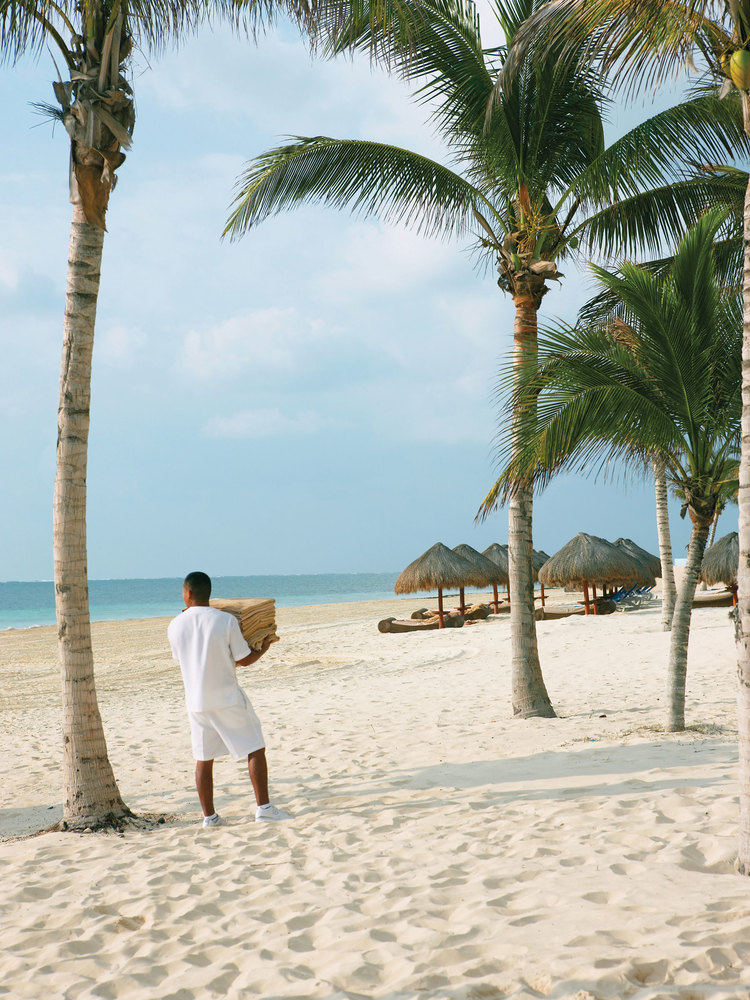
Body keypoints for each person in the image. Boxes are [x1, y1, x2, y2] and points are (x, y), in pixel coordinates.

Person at [168, 570, 291, 826]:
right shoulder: (224, 621)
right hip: (226, 697)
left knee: (203, 759)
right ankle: (264, 808)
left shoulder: (175, 625)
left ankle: (209, 817)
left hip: (196, 703)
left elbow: (185, 659)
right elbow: (243, 660)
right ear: (207, 594)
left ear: (188, 593)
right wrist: (265, 647)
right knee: (255, 747)